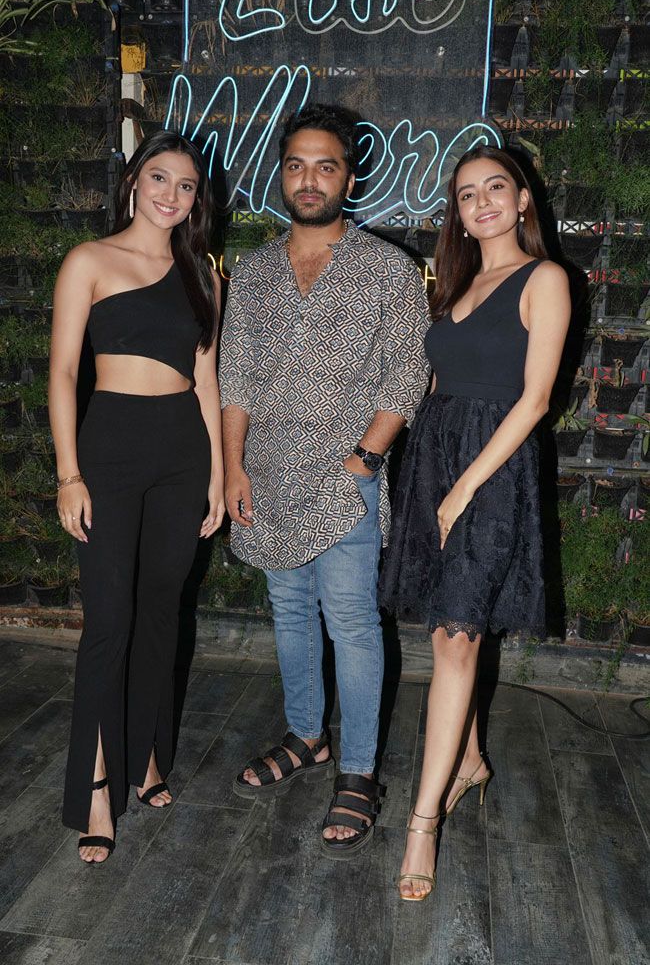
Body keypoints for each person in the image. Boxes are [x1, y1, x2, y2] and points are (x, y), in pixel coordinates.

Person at [219, 103, 430, 858]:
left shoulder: (388, 269)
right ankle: (307, 735)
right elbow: (235, 379)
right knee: (289, 613)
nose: (309, 180)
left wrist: (365, 460)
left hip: (345, 480)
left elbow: (408, 373)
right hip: (267, 476)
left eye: (326, 166)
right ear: (282, 175)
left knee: (351, 622)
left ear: (348, 177)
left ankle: (360, 771)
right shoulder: (253, 272)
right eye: (297, 165)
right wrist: (232, 465)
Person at [379, 145, 571, 899]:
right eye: (467, 193)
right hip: (436, 458)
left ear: (523, 200)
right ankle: (468, 760)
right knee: (447, 627)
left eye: (496, 187)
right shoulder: (457, 282)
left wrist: (463, 488)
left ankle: (422, 823)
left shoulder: (544, 279)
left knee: (455, 639)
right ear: (456, 212)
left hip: (491, 470)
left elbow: (535, 400)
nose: (482, 201)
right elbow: (436, 384)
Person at [49, 130, 224, 864]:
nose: (170, 195)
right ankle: (95, 786)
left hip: (183, 451)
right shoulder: (89, 261)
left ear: (196, 200)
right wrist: (69, 474)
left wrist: (217, 476)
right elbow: (63, 373)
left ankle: (147, 754)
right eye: (159, 178)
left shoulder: (203, 275)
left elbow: (207, 380)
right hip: (111, 450)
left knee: (159, 612)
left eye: (185, 186)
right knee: (108, 620)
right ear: (132, 182)